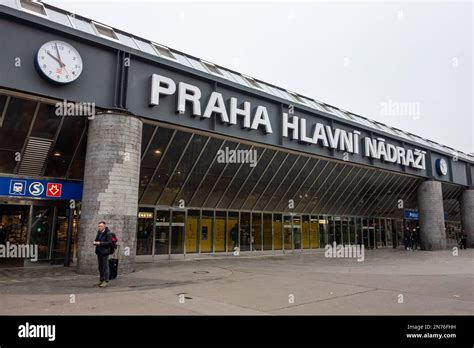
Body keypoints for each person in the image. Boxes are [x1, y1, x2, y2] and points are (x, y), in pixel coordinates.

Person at [93, 221, 112, 288]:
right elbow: (97, 240)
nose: (99, 227)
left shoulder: (108, 233)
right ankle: (101, 280)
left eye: (101, 226)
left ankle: (106, 281)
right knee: (100, 266)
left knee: (105, 266)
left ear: (104, 226)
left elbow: (109, 243)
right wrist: (95, 242)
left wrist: (100, 243)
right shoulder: (99, 232)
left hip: (105, 252)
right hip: (99, 251)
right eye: (98, 226)